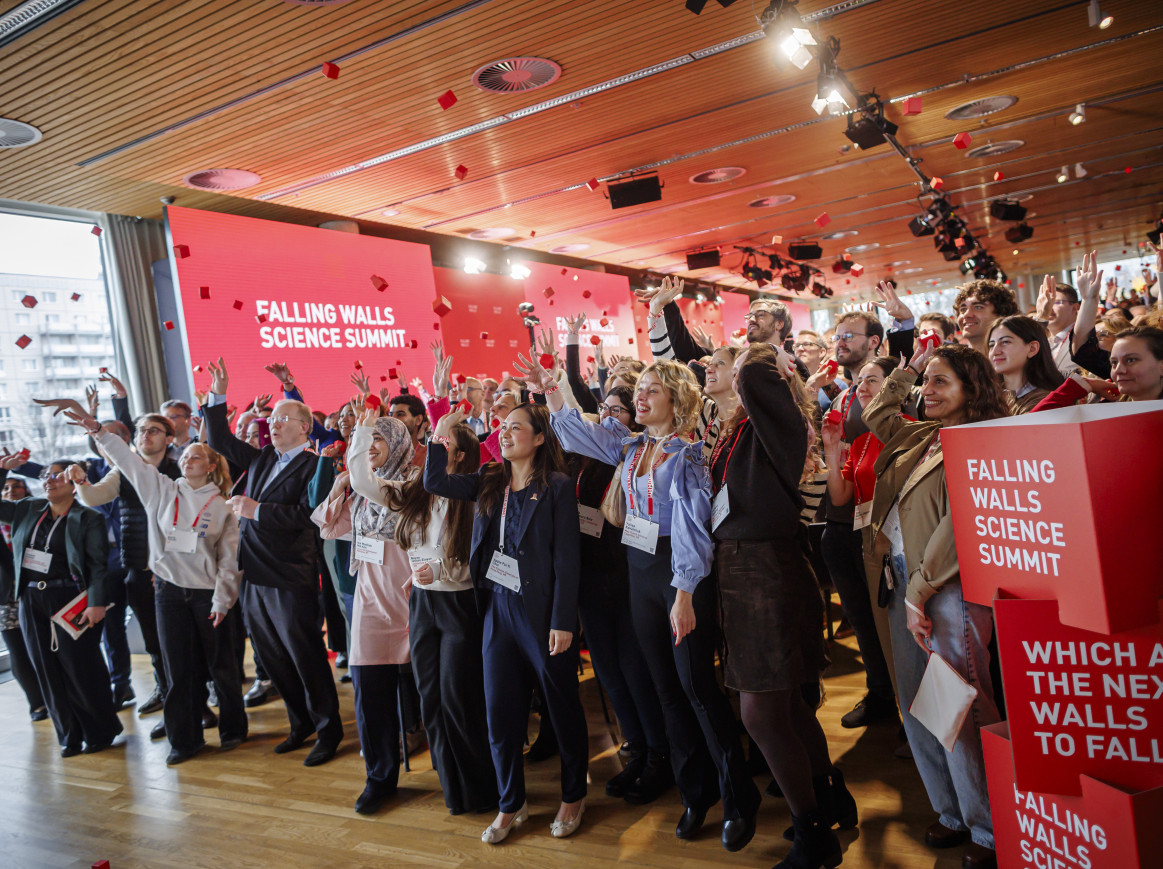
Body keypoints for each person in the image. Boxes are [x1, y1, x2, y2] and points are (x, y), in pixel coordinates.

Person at [539, 355, 760, 853]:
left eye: (652, 389)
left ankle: (738, 795)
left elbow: (694, 533)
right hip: (639, 574)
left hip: (679, 577)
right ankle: (694, 794)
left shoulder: (687, 455)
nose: (640, 396)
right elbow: (575, 434)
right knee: (665, 691)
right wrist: (553, 387)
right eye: (638, 388)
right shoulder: (630, 444)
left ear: (677, 400)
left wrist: (684, 594)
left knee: (698, 687)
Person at [862, 344, 1006, 869]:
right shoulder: (923, 435)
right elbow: (875, 412)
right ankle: (951, 812)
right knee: (918, 706)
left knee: (959, 708)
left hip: (947, 590)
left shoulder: (980, 439)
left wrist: (920, 592)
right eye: (929, 382)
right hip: (905, 582)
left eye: (943, 381)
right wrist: (909, 371)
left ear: (974, 388)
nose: (930, 391)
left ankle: (989, 831)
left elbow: (959, 527)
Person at [424, 401, 588, 844]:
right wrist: (441, 431)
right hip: (497, 606)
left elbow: (567, 560)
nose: (506, 432)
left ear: (538, 439)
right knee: (500, 711)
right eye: (503, 426)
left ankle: (573, 795)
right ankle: (510, 803)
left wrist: (562, 620)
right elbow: (434, 480)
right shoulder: (490, 479)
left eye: (517, 427)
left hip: (541, 611)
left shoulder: (555, 486)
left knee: (561, 706)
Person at [716, 342, 852, 869]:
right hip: (745, 569)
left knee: (763, 714)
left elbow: (751, 377)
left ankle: (813, 836)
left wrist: (763, 353)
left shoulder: (781, 422)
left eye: (719, 363)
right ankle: (829, 799)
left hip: (765, 571)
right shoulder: (745, 428)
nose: (709, 368)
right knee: (788, 708)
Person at [68, 409, 247, 765]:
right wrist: (99, 431)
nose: (188, 460)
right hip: (166, 592)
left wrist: (223, 601)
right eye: (186, 456)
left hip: (207, 595)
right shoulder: (161, 489)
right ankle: (185, 741)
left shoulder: (223, 506)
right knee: (176, 668)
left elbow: (230, 561)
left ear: (211, 466)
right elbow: (128, 460)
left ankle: (233, 729)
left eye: (196, 456)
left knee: (221, 667)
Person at [347, 414, 498, 817]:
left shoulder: (474, 492)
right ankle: (456, 795)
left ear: (461, 454)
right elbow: (363, 482)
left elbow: (481, 559)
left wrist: (444, 570)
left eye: (442, 442)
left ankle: (483, 790)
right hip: (424, 604)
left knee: (458, 699)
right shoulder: (417, 489)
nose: (432, 445)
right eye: (432, 439)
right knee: (431, 700)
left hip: (457, 604)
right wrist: (362, 433)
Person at [202, 357, 343, 767]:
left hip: (289, 576)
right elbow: (221, 441)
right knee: (273, 658)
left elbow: (310, 517)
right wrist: (219, 393)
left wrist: (256, 510)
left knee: (305, 656)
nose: (274, 424)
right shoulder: (263, 457)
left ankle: (328, 729)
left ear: (304, 427)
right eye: (273, 419)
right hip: (255, 576)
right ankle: (300, 723)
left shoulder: (316, 464)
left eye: (283, 418)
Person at [313, 413, 417, 814]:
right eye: (365, 440)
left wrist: (355, 475)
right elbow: (327, 526)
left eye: (378, 439)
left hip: (413, 597)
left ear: (399, 443)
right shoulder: (359, 489)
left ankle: (454, 772)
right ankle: (380, 779)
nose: (369, 446)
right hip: (371, 601)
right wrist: (341, 484)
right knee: (370, 695)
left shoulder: (413, 483)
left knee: (430, 693)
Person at [0, 458, 121, 756]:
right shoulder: (28, 508)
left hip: (70, 599)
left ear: (73, 481)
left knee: (80, 667)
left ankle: (99, 732)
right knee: (46, 669)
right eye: (46, 476)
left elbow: (96, 565)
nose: (49, 481)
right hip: (30, 599)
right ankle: (69, 736)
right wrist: (3, 470)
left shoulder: (88, 517)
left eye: (57, 476)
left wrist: (96, 603)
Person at [72, 409, 182, 719]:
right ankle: (165, 691)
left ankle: (195, 693)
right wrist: (80, 481)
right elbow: (93, 498)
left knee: (181, 638)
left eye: (154, 430)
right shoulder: (123, 471)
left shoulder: (180, 471)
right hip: (138, 567)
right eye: (141, 430)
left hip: (176, 569)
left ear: (169, 439)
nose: (145, 435)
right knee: (152, 639)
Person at [819, 310, 897, 730]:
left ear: (875, 342)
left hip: (880, 530)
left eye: (850, 335)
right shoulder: (840, 396)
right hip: (840, 521)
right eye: (838, 334)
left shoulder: (894, 401)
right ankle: (881, 693)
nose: (840, 340)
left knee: (891, 620)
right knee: (862, 620)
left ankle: (906, 700)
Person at [0, 472, 48, 722]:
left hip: (36, 588)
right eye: (6, 487)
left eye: (17, 486)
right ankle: (36, 703)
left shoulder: (35, 516)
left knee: (42, 646)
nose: (12, 491)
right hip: (5, 595)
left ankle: (54, 695)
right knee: (17, 649)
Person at [985, 316, 1064, 414]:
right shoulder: (988, 398)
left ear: (1032, 349)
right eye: (991, 345)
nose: (995, 352)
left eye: (1005, 342)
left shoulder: (1047, 402)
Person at [954, 280, 1020, 357]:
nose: (966, 315)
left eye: (978, 307)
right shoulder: (954, 365)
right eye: (963, 309)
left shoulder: (1018, 359)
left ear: (1001, 313)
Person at [1035, 276, 1081, 377]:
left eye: (1055, 302)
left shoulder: (1083, 339)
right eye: (1045, 302)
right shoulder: (1044, 342)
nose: (1048, 307)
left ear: (1075, 308)